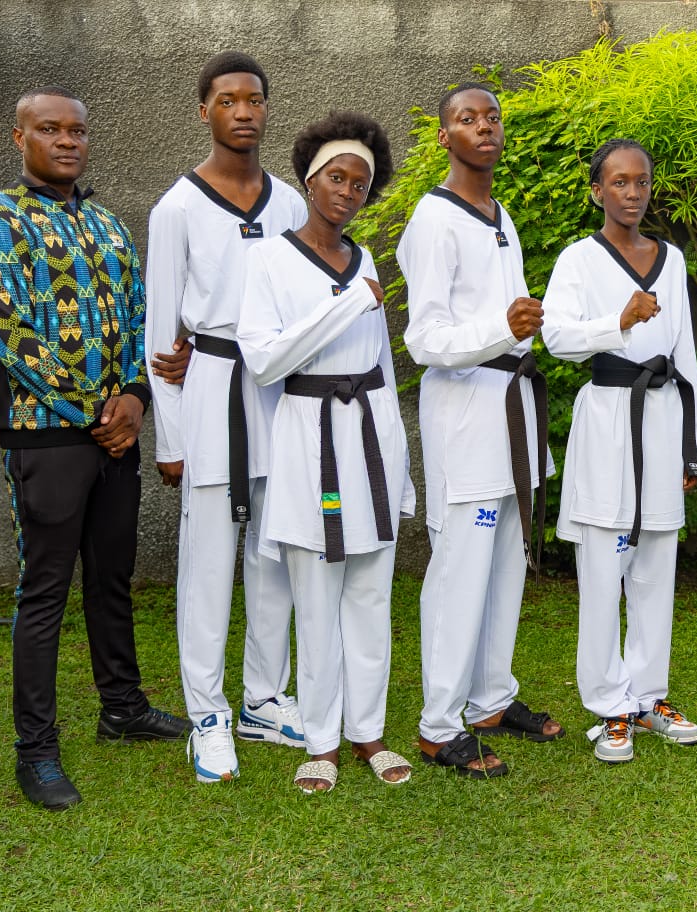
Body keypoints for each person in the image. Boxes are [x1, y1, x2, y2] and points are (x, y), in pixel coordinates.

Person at [0, 87, 190, 810]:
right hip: (45, 436)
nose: (67, 141)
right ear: (19, 136)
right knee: (44, 592)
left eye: (78, 131)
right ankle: (36, 750)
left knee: (112, 578)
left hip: (115, 434)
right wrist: (99, 413)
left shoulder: (108, 224)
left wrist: (135, 398)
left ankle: (121, 709)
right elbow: (14, 337)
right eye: (50, 129)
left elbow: (136, 318)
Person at [238, 111, 415, 793]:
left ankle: (367, 730)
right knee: (316, 595)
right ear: (310, 181)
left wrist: (399, 474)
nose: (348, 191)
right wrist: (344, 306)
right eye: (336, 177)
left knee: (370, 596)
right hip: (311, 442)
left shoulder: (364, 258)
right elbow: (263, 361)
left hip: (369, 439)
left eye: (360, 183)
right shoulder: (270, 259)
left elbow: (381, 367)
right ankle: (320, 739)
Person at [145, 51, 308, 785]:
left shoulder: (291, 206)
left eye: (255, 100)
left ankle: (264, 699)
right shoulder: (177, 207)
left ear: (267, 110)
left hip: (278, 395)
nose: (244, 111)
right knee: (208, 566)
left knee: (274, 557)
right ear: (203, 111)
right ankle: (206, 713)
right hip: (209, 387)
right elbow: (160, 336)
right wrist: (172, 437)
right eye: (228, 100)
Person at [398, 82, 563, 779]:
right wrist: (503, 328)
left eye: (491, 116)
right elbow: (424, 338)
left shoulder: (496, 214)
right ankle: (439, 725)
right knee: (460, 571)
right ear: (444, 138)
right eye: (466, 119)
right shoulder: (433, 221)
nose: (483, 127)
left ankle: (490, 700)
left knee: (504, 566)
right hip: (465, 410)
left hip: (510, 404)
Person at [542, 139, 697, 764]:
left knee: (656, 566)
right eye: (618, 182)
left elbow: (685, 351)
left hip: (664, 418)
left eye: (641, 181)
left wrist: (693, 449)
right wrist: (620, 322)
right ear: (597, 191)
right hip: (610, 417)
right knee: (603, 569)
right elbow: (556, 338)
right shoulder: (579, 260)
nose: (631, 192)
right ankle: (610, 706)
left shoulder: (671, 259)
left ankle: (647, 695)